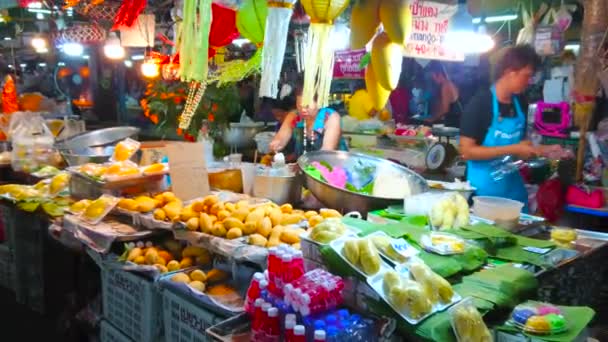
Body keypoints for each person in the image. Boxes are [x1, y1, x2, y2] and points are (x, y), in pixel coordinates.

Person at [460, 45, 559, 212]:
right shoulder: (480, 103)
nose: (529, 81)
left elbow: (519, 149)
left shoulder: (519, 102)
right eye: (526, 76)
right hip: (485, 189)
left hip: (512, 187)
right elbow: (466, 151)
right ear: (509, 72)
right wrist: (513, 148)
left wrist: (543, 151)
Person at [269, 83, 347, 157]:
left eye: (307, 106)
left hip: (334, 167)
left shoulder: (331, 118)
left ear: (319, 103)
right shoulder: (295, 117)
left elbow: (326, 151)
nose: (302, 109)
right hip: (306, 166)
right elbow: (280, 139)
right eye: (299, 105)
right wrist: (276, 144)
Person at [425, 61, 461, 126]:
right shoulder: (446, 84)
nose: (434, 80)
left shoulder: (446, 85)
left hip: (454, 123)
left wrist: (432, 119)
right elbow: (442, 106)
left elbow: (445, 109)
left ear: (440, 75)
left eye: (434, 77)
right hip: (453, 122)